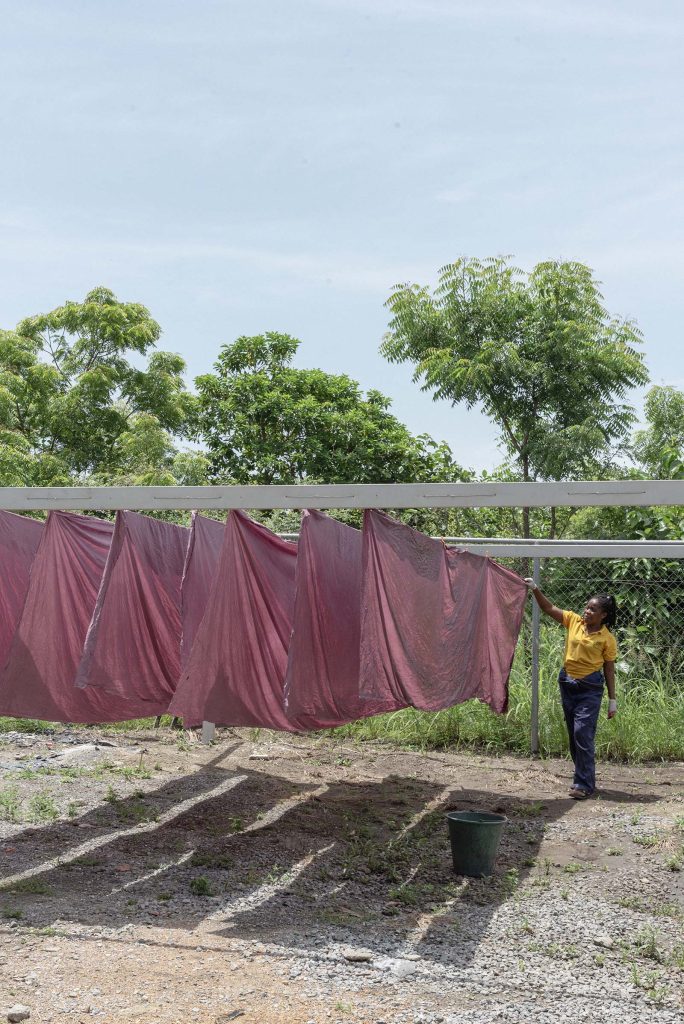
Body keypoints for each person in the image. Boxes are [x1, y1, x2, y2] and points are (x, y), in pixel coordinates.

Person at [524, 581, 618, 799]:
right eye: (587, 607)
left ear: (603, 615)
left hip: (590, 688)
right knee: (573, 735)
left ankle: (584, 784)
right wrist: (535, 589)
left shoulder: (607, 639)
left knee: (582, 733)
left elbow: (609, 669)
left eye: (593, 609)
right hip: (567, 682)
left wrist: (612, 700)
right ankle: (582, 778)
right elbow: (549, 609)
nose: (587, 611)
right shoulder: (574, 621)